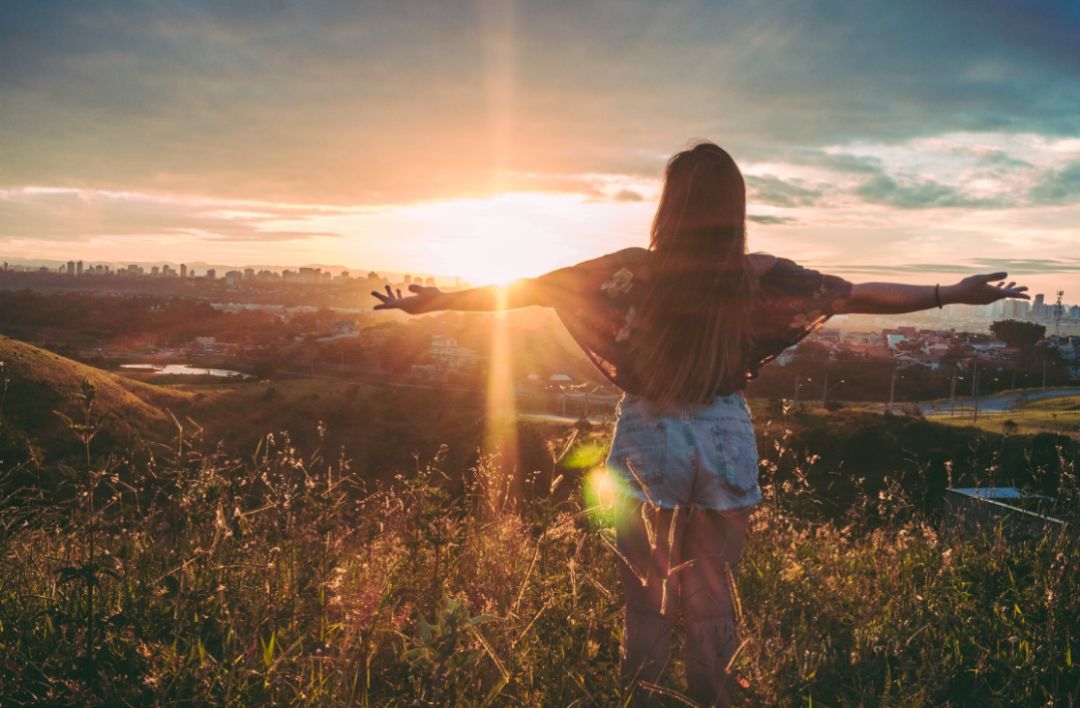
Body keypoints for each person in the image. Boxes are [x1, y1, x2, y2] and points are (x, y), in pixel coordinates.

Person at [371, 142, 1029, 705]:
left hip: (648, 434)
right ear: (734, 207)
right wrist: (950, 293)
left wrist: (433, 305)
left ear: (669, 205)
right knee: (712, 593)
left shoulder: (629, 270)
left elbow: (529, 288)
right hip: (724, 433)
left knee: (646, 598)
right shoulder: (757, 275)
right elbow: (853, 294)